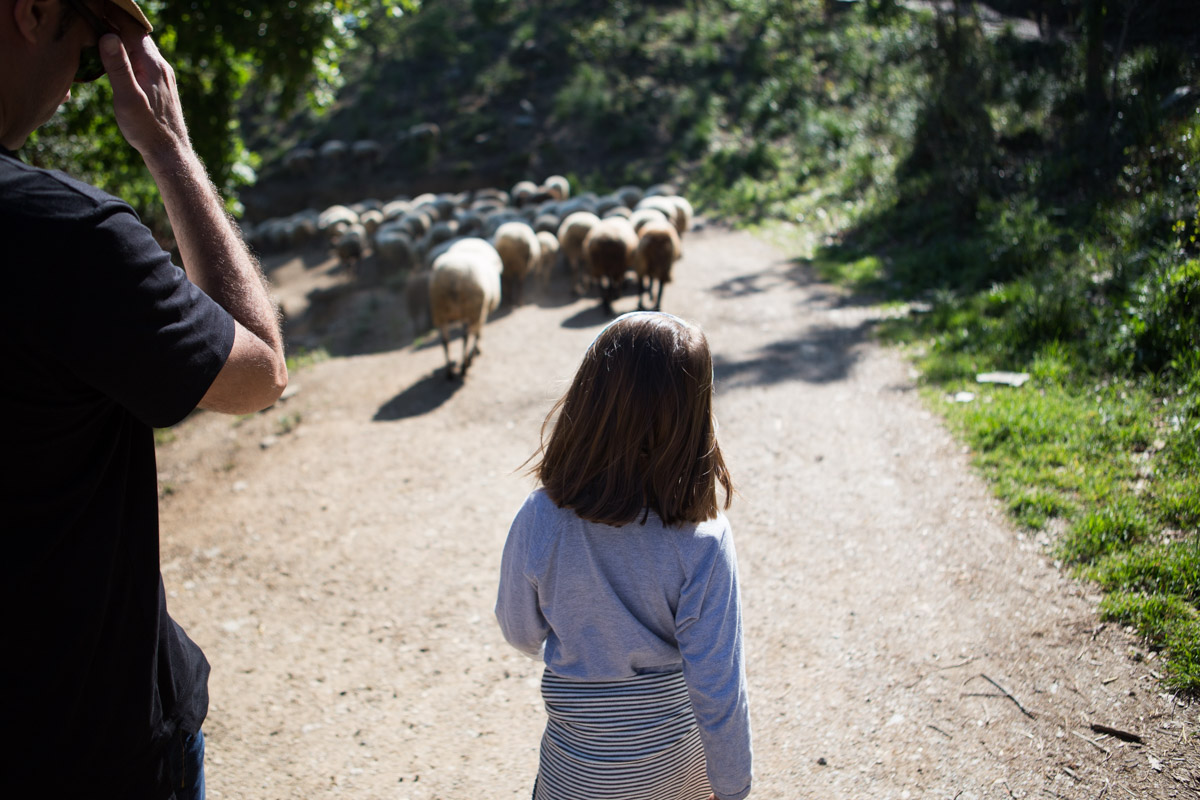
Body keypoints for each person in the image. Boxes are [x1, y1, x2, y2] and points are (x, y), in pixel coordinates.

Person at [0, 1, 287, 796]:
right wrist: (170, 146)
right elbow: (258, 369)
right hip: (85, 745)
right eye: (90, 58)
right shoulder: (65, 237)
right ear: (33, 13)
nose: (74, 86)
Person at [496, 311, 753, 800]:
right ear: (693, 418)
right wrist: (734, 789)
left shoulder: (541, 518)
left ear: (588, 402)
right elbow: (720, 687)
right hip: (676, 771)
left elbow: (520, 632)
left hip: (578, 773)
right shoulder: (704, 539)